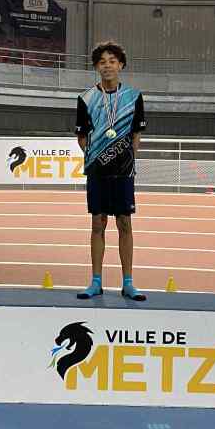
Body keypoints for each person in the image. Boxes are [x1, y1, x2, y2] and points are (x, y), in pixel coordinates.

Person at [75, 41, 147, 301]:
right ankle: (96, 282)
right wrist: (97, 157)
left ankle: (128, 282)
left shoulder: (134, 97)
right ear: (96, 66)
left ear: (121, 65)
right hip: (97, 171)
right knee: (98, 223)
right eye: (102, 62)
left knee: (125, 223)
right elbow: (82, 137)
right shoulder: (86, 98)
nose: (107, 66)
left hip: (124, 171)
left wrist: (125, 159)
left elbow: (136, 134)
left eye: (112, 61)